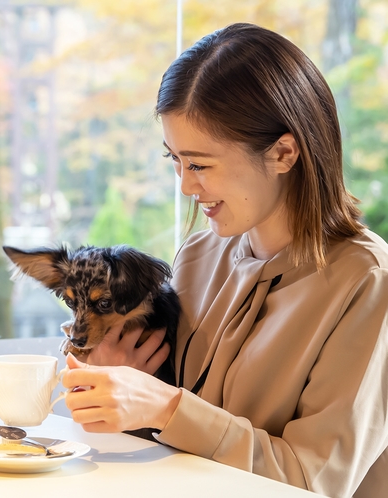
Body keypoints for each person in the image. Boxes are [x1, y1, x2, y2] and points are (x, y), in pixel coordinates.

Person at [61, 23, 388, 498]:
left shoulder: (367, 283)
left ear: (283, 152)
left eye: (199, 164)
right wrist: (103, 369)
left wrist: (169, 408)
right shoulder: (199, 254)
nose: (185, 187)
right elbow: (148, 423)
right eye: (174, 160)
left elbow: (313, 481)